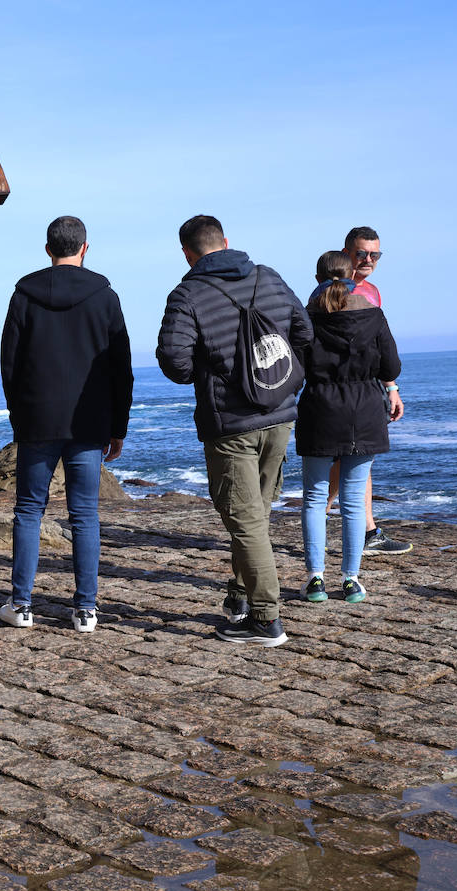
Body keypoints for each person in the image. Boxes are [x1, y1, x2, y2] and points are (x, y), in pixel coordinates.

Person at [157, 215, 313, 647]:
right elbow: (304, 331)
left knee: (245, 522)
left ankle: (266, 619)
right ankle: (241, 595)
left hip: (231, 424)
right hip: (280, 414)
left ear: (187, 253)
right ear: (226, 242)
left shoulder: (188, 293)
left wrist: (210, 374)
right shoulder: (270, 277)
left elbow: (174, 360)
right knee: (256, 514)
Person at [0, 216, 133, 634]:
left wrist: (18, 415)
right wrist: (118, 426)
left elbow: (10, 364)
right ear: (85, 248)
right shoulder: (105, 297)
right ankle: (86, 610)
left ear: (47, 249)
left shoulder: (24, 295)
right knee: (85, 515)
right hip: (89, 422)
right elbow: (121, 367)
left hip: (38, 420)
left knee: (29, 510)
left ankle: (21, 604)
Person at [297, 250, 402, 604]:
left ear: (317, 278)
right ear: (352, 274)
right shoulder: (373, 315)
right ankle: (351, 581)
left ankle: (315, 580)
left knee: (314, 498)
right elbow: (392, 365)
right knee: (354, 501)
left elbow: (296, 370)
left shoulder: (306, 318)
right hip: (366, 410)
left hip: (320, 408)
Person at [331, 227, 412, 556]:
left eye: (374, 254)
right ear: (346, 252)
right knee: (350, 457)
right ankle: (350, 526)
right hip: (343, 391)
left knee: (360, 458)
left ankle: (367, 531)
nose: (368, 260)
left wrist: (391, 388)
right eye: (361, 253)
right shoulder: (330, 294)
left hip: (371, 389)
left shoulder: (374, 292)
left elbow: (378, 347)